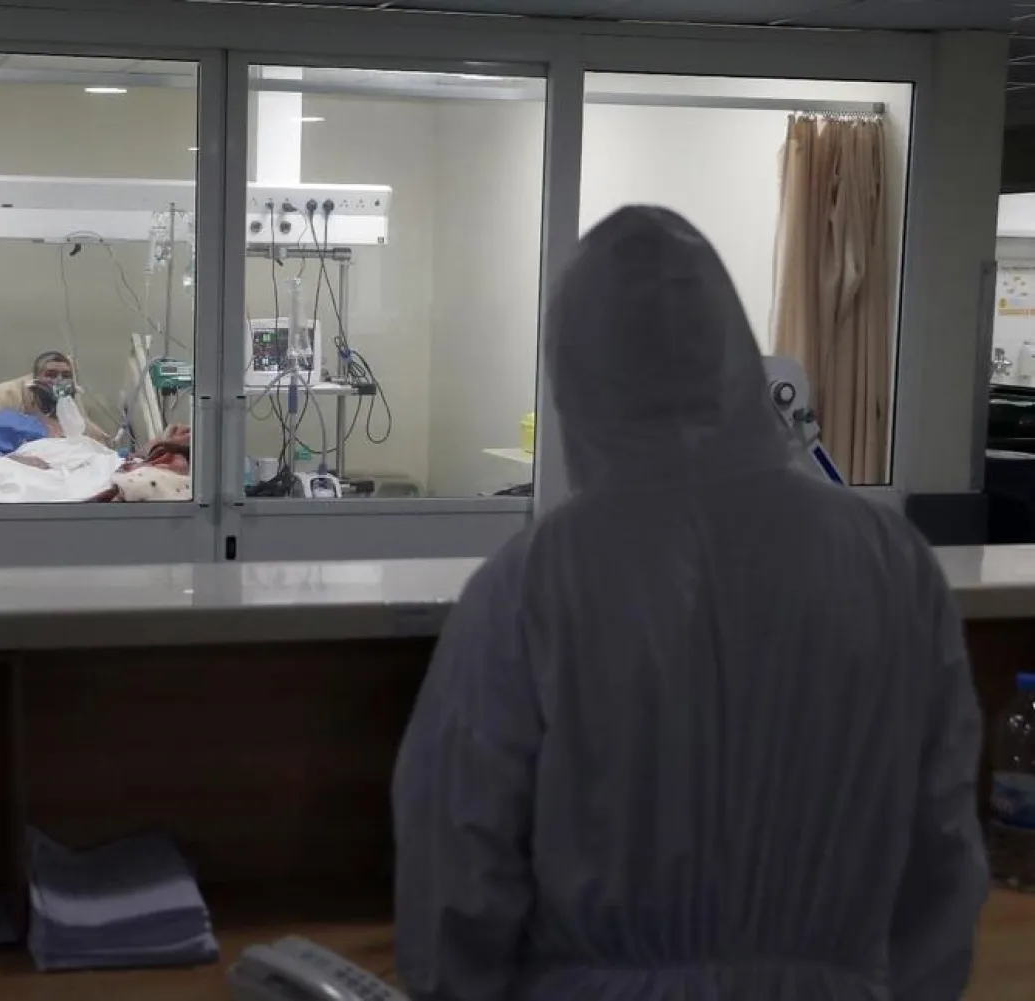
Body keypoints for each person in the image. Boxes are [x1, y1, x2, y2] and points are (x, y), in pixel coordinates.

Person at [391, 206, 986, 1001]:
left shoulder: (532, 585)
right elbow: (944, 854)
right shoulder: (891, 564)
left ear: (574, 376)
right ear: (737, 357)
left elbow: (455, 873)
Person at [0, 351, 82, 469]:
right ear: (34, 385)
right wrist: (16, 460)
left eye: (66, 376)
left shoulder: (80, 428)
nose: (60, 381)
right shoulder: (12, 420)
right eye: (51, 375)